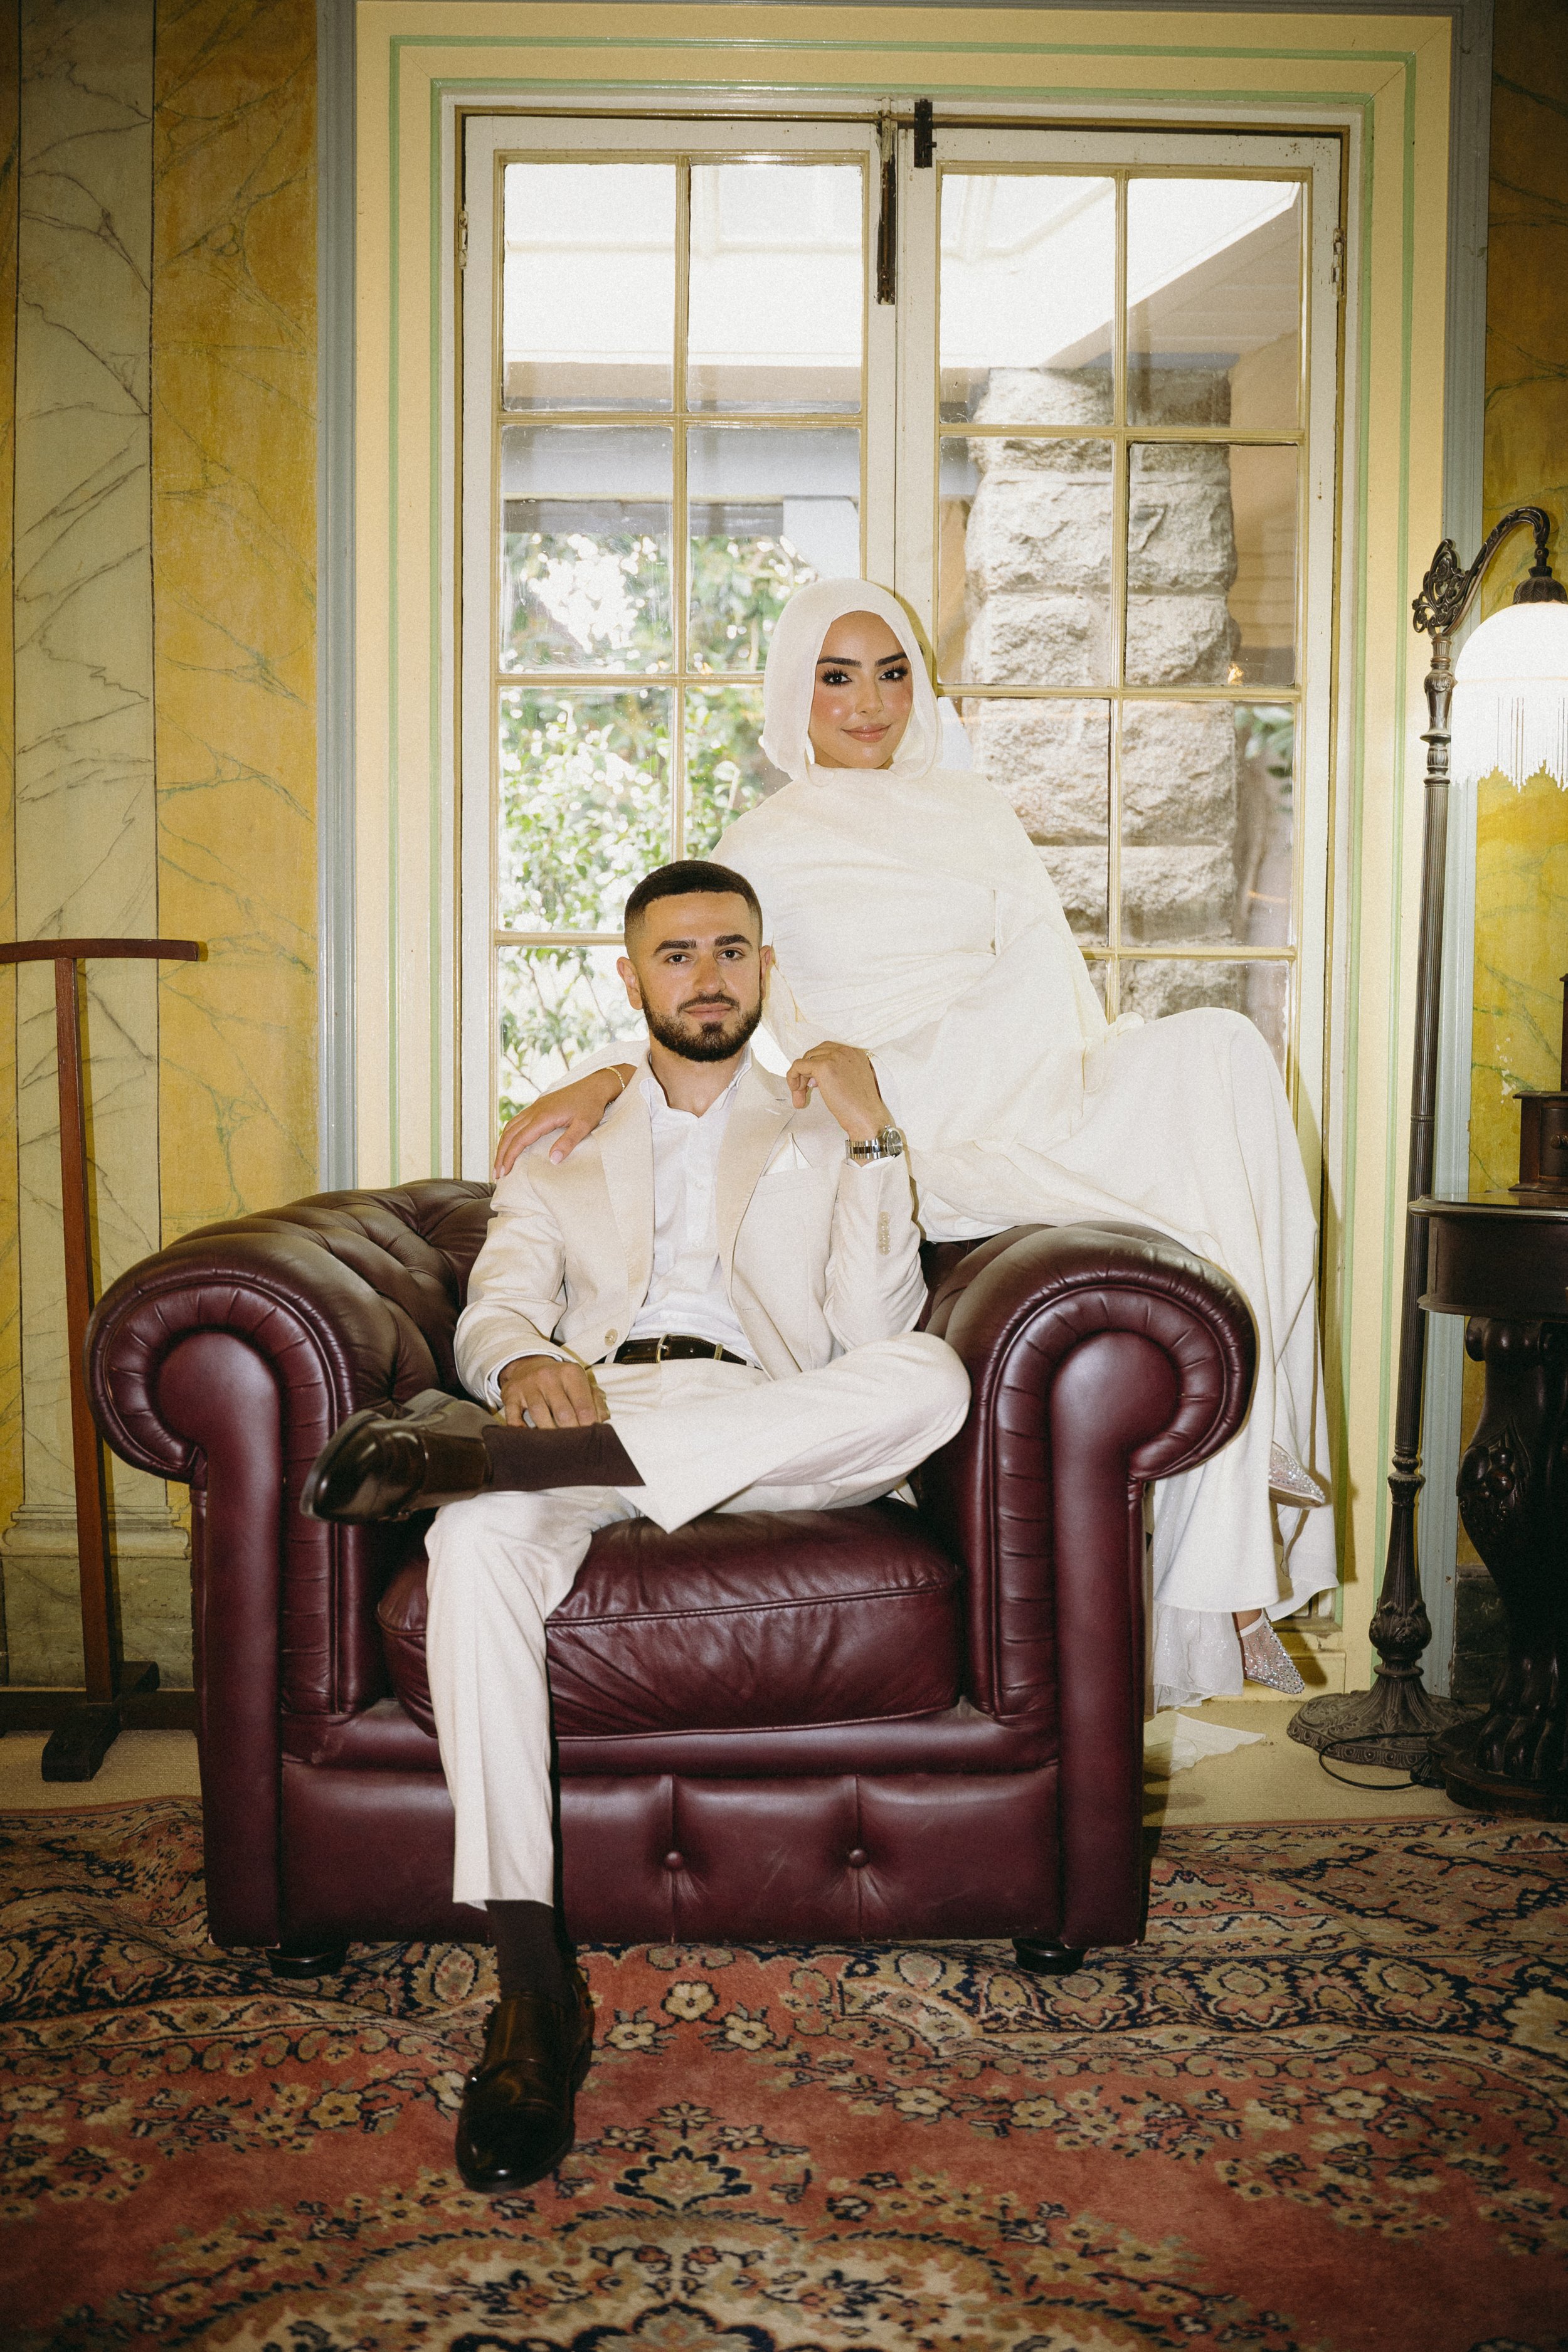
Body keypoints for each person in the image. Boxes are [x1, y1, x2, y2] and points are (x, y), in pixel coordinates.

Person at [496, 579, 1338, 1715]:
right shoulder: (764, 840)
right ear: (797, 689)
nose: (868, 702)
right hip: (891, 1110)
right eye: (838, 676)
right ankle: (1228, 1549)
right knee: (1190, 1121)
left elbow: (1048, 977)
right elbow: (707, 986)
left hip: (1017, 1068)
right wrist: (603, 1079)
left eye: (892, 672)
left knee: (1226, 1057)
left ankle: (1245, 1471)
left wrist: (1028, 1057)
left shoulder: (974, 809)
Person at [299, 858, 970, 2191]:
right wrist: (510, 1369)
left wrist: (880, 1141)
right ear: (630, 977)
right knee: (475, 1543)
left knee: (932, 1379)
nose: (707, 974)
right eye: (677, 954)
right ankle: (532, 1986)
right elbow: (496, 1304)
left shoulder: (822, 1122)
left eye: (732, 950)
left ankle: (470, 1463)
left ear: (763, 970)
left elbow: (876, 1335)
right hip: (584, 1408)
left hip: (771, 1422)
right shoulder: (560, 1144)